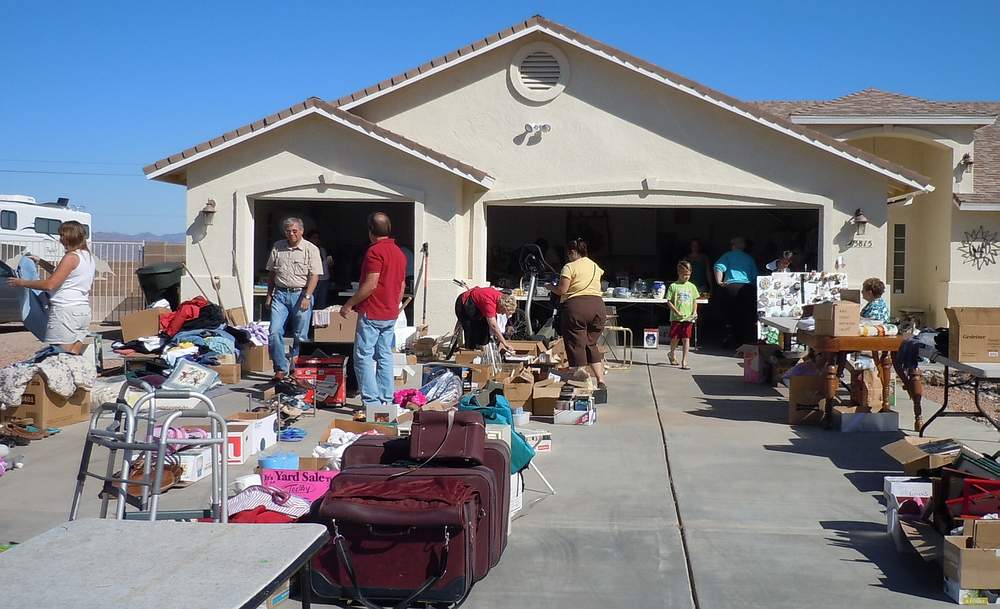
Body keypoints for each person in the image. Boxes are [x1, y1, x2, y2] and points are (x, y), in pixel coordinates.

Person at [341, 212, 406, 408]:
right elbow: (402, 285)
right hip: (390, 311)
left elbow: (370, 284)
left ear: (371, 230)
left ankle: (371, 401)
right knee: (384, 354)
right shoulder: (399, 253)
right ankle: (386, 399)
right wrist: (394, 304)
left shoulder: (374, 251)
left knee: (363, 356)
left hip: (372, 310)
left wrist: (349, 304)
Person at [8, 221, 95, 354]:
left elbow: (50, 284)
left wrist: (22, 282)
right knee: (73, 356)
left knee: (60, 355)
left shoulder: (71, 257)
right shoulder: (87, 256)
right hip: (82, 312)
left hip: (65, 312)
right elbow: (63, 272)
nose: (60, 240)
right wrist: (41, 261)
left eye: (62, 235)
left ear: (70, 236)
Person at [265, 218, 322, 380]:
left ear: (302, 231)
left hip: (301, 294)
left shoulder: (311, 249)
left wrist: (307, 296)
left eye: (294, 230)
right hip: (280, 294)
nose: (291, 233)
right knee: (274, 332)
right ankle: (280, 367)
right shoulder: (278, 246)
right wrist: (269, 294)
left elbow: (315, 275)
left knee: (300, 335)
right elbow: (272, 273)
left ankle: (297, 368)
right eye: (288, 231)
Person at [551, 238, 607, 389]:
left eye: (569, 253)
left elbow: (562, 290)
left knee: (576, 344)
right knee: (591, 344)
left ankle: (582, 381)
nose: (568, 256)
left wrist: (550, 286)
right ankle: (600, 381)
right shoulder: (595, 266)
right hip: (598, 307)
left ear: (574, 252)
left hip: (576, 307)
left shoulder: (569, 267)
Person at [713, 237, 758, 346]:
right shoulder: (749, 258)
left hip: (730, 288)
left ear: (733, 245)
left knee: (729, 315)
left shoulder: (727, 255)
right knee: (746, 316)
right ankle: (745, 342)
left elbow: (718, 267)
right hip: (747, 288)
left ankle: (730, 339)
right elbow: (755, 277)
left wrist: (719, 282)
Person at [667, 261, 700, 370]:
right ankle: (671, 353)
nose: (686, 277)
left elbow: (695, 300)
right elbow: (669, 301)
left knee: (686, 338)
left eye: (689, 274)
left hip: (688, 318)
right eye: (684, 274)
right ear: (679, 273)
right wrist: (676, 311)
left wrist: (695, 312)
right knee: (675, 338)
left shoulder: (692, 287)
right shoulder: (673, 286)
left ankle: (684, 361)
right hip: (676, 318)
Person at [305, 231, 333, 310]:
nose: (316, 240)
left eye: (318, 238)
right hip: (312, 280)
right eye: (314, 238)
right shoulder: (307, 250)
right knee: (310, 302)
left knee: (321, 304)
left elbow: (330, 263)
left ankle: (318, 321)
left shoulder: (323, 250)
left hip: (324, 279)